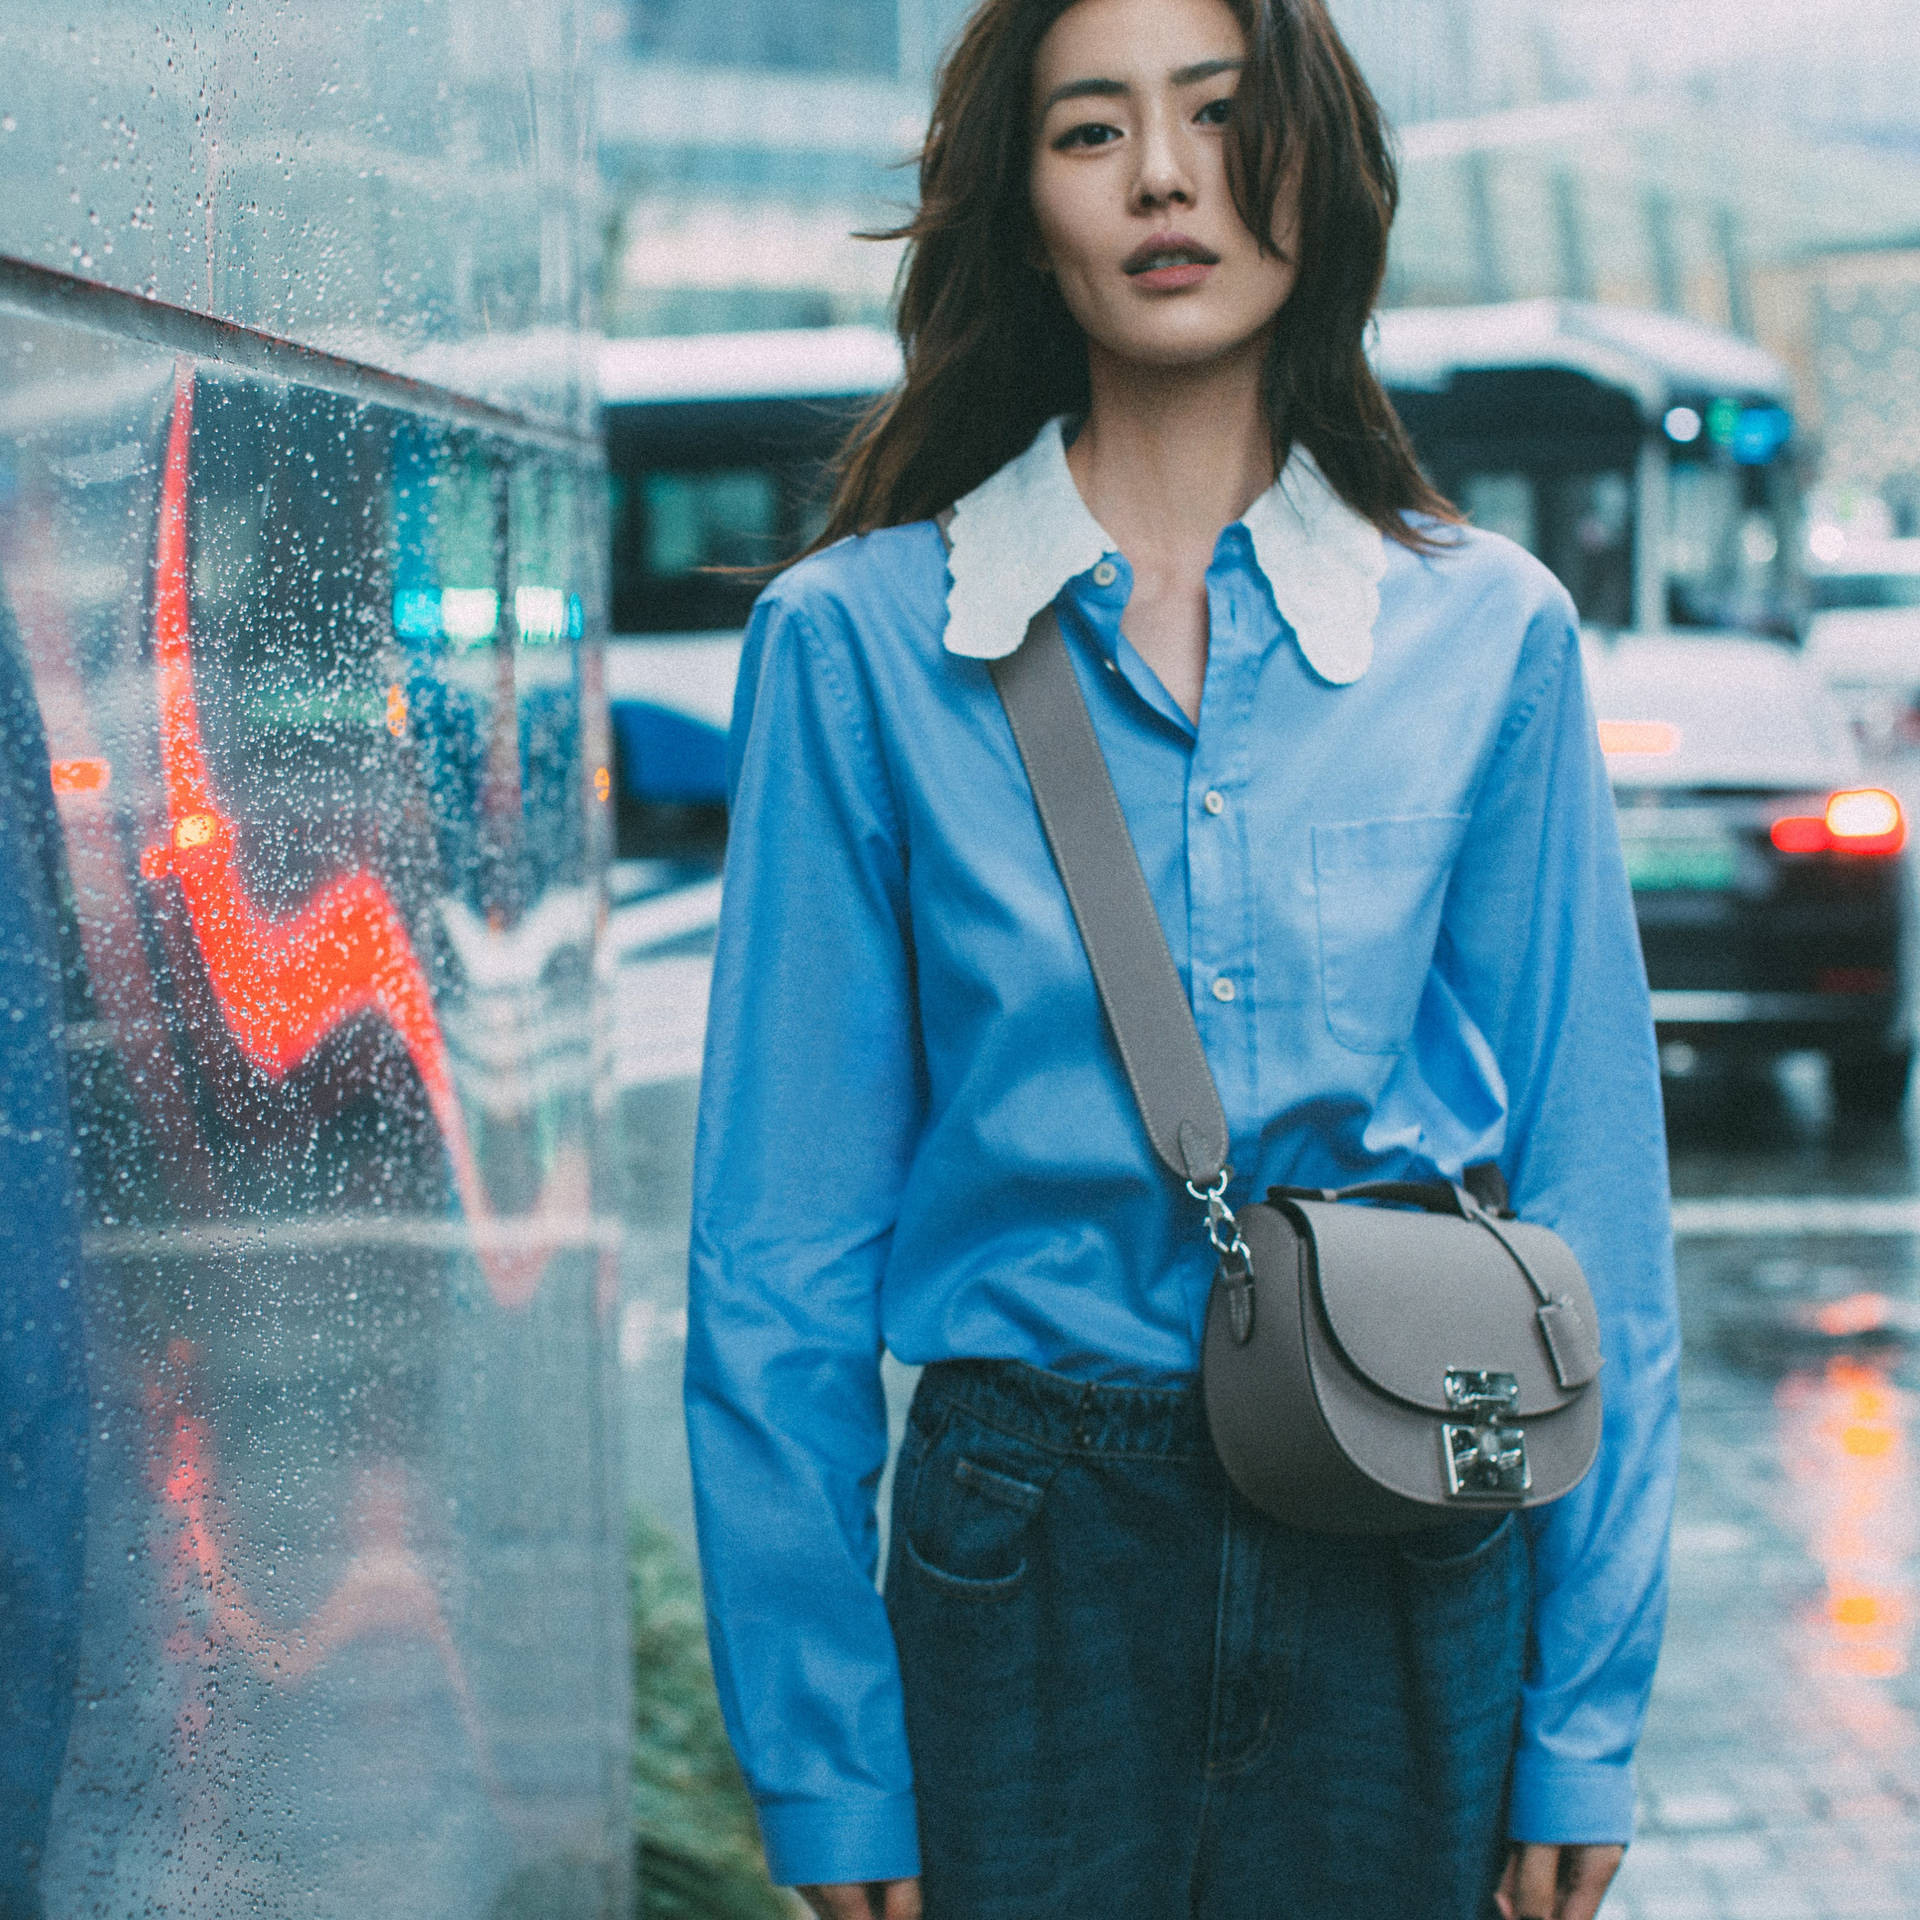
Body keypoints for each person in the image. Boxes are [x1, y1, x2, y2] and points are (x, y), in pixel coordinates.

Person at [684, 0, 1680, 1914]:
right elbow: (775, 1260)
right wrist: (826, 1760)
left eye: (1221, 116)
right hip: (1021, 1561)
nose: (1162, 175)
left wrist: (1587, 1708)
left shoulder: (1488, 637)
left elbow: (1596, 1200)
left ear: (1315, 162)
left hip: (1407, 1524)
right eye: (1090, 131)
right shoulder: (859, 644)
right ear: (1023, 204)